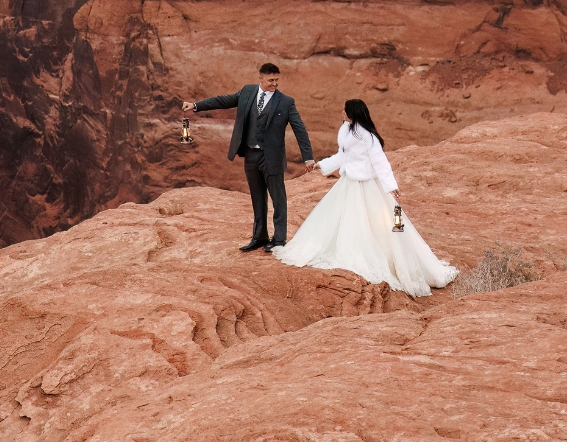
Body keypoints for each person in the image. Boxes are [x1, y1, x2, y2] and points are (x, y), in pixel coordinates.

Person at [271, 99, 457, 296]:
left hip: (368, 186)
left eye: (345, 110)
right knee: (346, 220)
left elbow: (380, 162)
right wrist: (323, 164)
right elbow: (342, 156)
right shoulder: (346, 130)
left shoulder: (368, 137)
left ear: (354, 113)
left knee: (383, 224)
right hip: (349, 183)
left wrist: (390, 186)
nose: (342, 112)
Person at [182, 63, 315, 252]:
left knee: (278, 199)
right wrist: (196, 106)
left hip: (273, 157)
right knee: (257, 197)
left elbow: (299, 129)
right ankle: (259, 237)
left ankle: (279, 239)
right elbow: (223, 101)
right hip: (251, 154)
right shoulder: (247, 92)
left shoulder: (286, 102)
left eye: (277, 80)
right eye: (271, 80)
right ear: (260, 78)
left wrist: (308, 157)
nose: (274, 84)